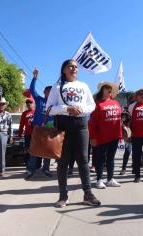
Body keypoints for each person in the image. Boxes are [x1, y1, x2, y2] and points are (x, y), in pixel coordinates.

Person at [46, 59, 100, 208]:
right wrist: (67, 109)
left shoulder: (83, 86)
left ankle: (88, 193)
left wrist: (81, 109)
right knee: (63, 161)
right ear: (64, 69)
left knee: (83, 160)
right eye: (70, 66)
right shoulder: (57, 87)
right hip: (62, 126)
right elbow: (49, 108)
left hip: (81, 125)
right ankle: (63, 195)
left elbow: (92, 105)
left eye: (76, 67)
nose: (74, 69)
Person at [89, 82, 122, 189]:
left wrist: (120, 134)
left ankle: (110, 179)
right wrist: (93, 137)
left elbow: (119, 119)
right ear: (102, 90)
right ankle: (99, 180)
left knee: (111, 158)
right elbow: (92, 122)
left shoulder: (116, 103)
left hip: (115, 135)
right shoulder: (97, 104)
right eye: (107, 88)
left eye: (110, 88)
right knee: (100, 159)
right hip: (101, 136)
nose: (109, 90)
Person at [27, 69, 53, 177]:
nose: (50, 93)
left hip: (49, 129)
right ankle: (32, 170)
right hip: (38, 129)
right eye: (48, 91)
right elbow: (32, 89)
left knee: (47, 151)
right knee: (34, 150)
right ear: (44, 92)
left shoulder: (54, 103)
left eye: (51, 92)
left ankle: (46, 169)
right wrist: (35, 77)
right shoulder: (39, 100)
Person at [119, 110, 132, 175]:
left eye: (125, 115)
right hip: (128, 140)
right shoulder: (121, 122)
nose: (123, 117)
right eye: (122, 115)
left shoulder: (131, 122)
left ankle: (135, 168)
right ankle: (123, 168)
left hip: (134, 139)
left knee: (136, 154)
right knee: (127, 152)